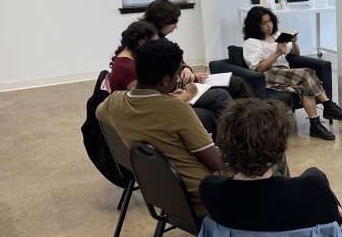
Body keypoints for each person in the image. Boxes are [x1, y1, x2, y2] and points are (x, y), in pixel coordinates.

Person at [96, 39, 288, 217]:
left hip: (165, 194)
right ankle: (280, 214)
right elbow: (216, 163)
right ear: (165, 80)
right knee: (272, 154)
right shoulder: (177, 110)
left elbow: (99, 112)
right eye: (176, 76)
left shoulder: (114, 102)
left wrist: (160, 99)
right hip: (204, 197)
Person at [200, 98, 342, 237]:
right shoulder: (311, 186)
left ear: (224, 145)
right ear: (281, 146)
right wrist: (332, 207)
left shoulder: (210, 189)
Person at [242, 6, 342, 141]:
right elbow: (258, 68)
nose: (269, 25)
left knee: (305, 86)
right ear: (255, 25)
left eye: (270, 21)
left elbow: (295, 54)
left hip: (285, 72)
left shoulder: (276, 36)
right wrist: (277, 53)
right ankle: (328, 106)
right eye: (264, 23)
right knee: (307, 73)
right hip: (268, 74)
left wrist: (293, 43)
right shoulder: (251, 43)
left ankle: (315, 125)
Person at [140, 0, 260, 100]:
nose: (176, 27)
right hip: (180, 90)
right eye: (173, 23)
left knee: (236, 82)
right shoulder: (151, 46)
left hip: (184, 84)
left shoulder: (160, 39)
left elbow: (176, 59)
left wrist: (185, 67)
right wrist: (195, 79)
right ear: (163, 20)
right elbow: (164, 83)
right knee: (234, 85)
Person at [106, 21, 157, 92]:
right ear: (141, 42)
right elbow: (144, 98)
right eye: (153, 42)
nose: (156, 46)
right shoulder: (129, 67)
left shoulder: (123, 56)